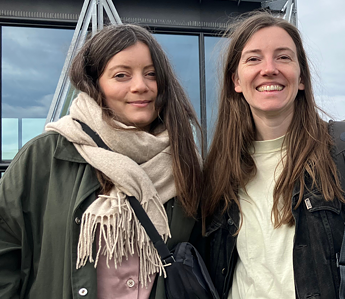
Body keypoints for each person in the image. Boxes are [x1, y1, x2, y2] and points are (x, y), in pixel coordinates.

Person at [202, 12, 345, 299]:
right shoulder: (219, 169)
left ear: (301, 78)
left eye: (283, 57)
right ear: (236, 81)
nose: (269, 69)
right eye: (253, 59)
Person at [0, 24, 203, 299]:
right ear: (95, 84)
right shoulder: (43, 158)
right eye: (121, 75)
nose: (141, 86)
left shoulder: (185, 162)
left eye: (151, 74)